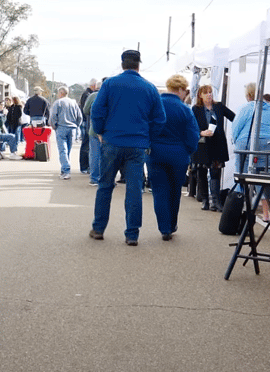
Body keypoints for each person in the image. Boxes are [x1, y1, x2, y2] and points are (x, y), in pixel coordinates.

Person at [90, 49, 166, 246]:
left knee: (105, 185)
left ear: (122, 64)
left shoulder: (110, 84)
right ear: (138, 65)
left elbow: (97, 111)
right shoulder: (149, 88)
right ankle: (132, 233)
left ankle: (98, 228)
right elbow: (159, 119)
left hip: (112, 141)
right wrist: (148, 138)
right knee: (134, 189)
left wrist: (100, 131)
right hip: (137, 145)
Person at [148, 75, 199, 241]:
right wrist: (189, 151)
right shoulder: (185, 110)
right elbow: (193, 136)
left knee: (160, 191)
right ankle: (172, 224)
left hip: (155, 152)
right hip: (178, 154)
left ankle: (164, 228)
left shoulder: (155, 106)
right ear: (181, 90)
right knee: (175, 191)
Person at [192, 84, 235, 211]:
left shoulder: (219, 106)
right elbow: (190, 126)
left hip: (217, 144)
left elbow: (234, 117)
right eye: (206, 93)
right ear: (200, 95)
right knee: (202, 173)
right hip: (202, 145)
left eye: (210, 92)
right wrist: (201, 132)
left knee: (216, 173)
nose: (209, 95)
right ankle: (205, 200)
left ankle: (215, 201)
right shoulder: (196, 109)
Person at [231, 82, 270, 174]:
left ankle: (241, 188)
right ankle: (260, 188)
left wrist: (234, 139)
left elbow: (236, 126)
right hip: (266, 143)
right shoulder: (269, 108)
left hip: (246, 142)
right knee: (262, 176)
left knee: (241, 174)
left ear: (248, 96)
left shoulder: (245, 108)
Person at [48, 86, 83, 180]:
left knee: (62, 150)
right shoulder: (73, 103)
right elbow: (80, 116)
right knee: (67, 149)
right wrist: (77, 125)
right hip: (72, 128)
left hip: (61, 127)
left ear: (60, 93)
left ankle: (66, 170)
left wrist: (54, 126)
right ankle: (64, 169)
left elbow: (53, 117)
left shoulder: (58, 102)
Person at [83, 78, 105, 186]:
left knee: (94, 154)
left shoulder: (93, 96)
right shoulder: (112, 96)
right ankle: (105, 178)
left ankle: (94, 178)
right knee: (106, 155)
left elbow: (85, 110)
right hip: (107, 130)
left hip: (94, 129)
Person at [78, 78, 98, 174]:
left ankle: (86, 166)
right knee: (86, 145)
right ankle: (84, 166)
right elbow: (85, 110)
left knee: (88, 146)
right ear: (93, 86)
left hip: (87, 122)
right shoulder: (88, 95)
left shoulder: (87, 94)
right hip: (87, 122)